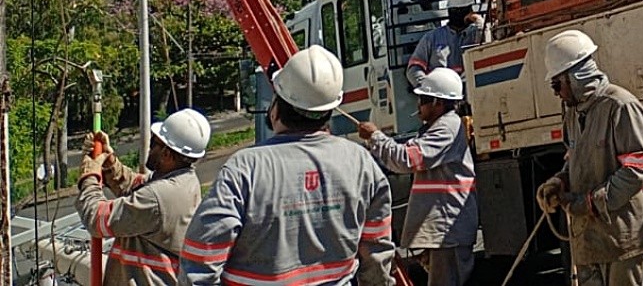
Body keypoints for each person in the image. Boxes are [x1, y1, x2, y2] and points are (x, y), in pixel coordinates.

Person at [181, 45, 395, 286]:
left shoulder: (245, 168)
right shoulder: (361, 163)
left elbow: (202, 257)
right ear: (329, 111)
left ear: (276, 108)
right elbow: (376, 253)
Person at [533, 30, 643, 286]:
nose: (556, 92)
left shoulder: (621, 106)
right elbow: (576, 158)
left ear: (576, 77)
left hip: (623, 238)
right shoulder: (572, 113)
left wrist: (590, 203)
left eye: (557, 84)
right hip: (589, 239)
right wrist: (560, 181)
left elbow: (636, 170)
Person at [358, 68, 478, 286]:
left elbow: (407, 159)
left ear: (438, 103)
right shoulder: (440, 127)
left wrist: (375, 137)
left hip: (448, 231)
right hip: (444, 231)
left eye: (423, 99)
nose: (418, 104)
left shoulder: (446, 128)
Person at [74, 108, 210, 285]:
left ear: (167, 153)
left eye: (154, 143)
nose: (149, 147)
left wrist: (89, 176)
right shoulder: (184, 182)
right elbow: (138, 187)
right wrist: (109, 163)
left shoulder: (158, 196)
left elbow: (97, 219)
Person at [408, 0, 482, 88]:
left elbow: (485, 50)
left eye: (465, 10)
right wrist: (426, 86)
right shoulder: (432, 38)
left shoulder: (476, 34)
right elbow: (414, 67)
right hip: (441, 96)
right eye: (456, 10)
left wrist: (480, 24)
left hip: (470, 91)